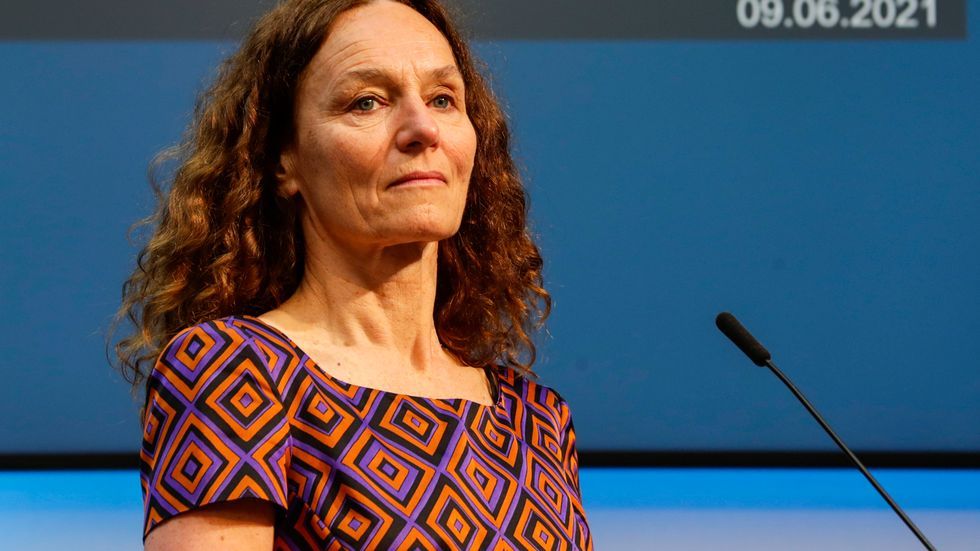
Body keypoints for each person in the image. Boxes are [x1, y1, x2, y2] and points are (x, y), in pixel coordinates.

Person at [114, 0, 593, 548]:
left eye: (442, 99)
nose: (422, 129)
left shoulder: (536, 421)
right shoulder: (233, 370)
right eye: (366, 102)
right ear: (282, 160)